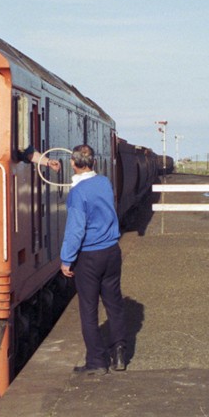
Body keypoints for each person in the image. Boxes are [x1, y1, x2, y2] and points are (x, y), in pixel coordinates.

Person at [59, 144, 126, 375]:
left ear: (73, 163)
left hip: (89, 256)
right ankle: (119, 353)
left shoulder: (78, 193)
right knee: (114, 304)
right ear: (94, 162)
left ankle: (97, 362)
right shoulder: (104, 183)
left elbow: (76, 230)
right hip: (112, 252)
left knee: (88, 310)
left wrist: (66, 259)